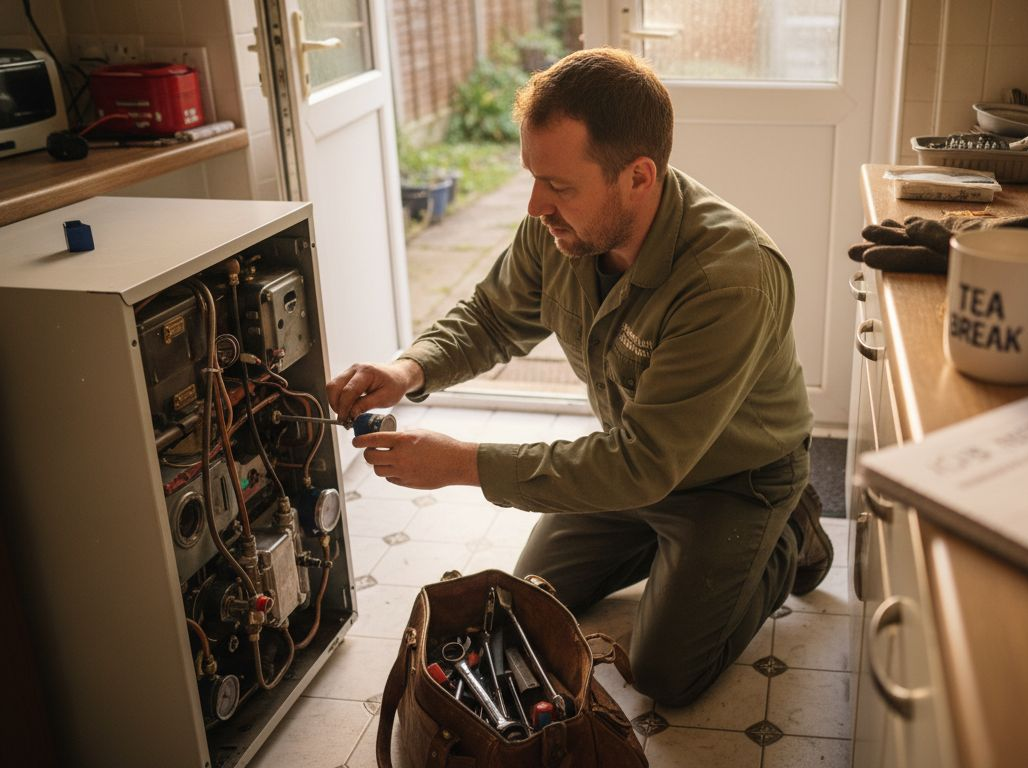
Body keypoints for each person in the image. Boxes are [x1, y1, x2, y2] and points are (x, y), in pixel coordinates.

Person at [327, 47, 832, 706]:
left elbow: (641, 463)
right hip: (635, 466)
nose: (537, 205)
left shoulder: (728, 279)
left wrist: (462, 464)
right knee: (533, 604)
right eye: (533, 177)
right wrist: (407, 368)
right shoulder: (563, 229)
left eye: (560, 185)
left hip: (734, 480)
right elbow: (492, 318)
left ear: (638, 176)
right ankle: (678, 551)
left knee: (664, 674)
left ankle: (792, 533)